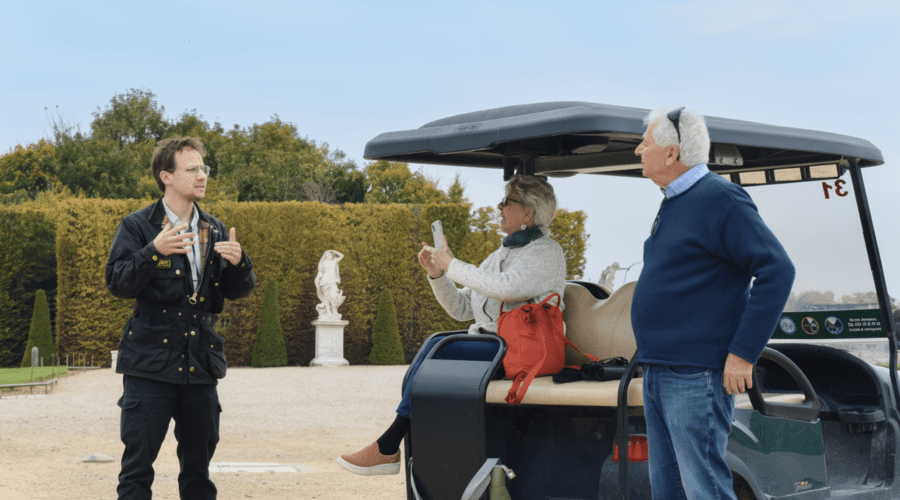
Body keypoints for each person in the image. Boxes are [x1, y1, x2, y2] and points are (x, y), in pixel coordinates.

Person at [337, 174, 567, 475]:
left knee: (441, 349)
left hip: (523, 352)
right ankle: (409, 453)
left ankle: (390, 445)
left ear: (527, 212)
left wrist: (453, 264)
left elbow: (505, 288)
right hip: (498, 347)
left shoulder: (545, 253)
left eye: (506, 202)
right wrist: (438, 275)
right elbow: (461, 308)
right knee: (437, 342)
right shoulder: (503, 253)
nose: (498, 207)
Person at [631, 107, 795, 499]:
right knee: (666, 489)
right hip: (659, 371)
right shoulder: (674, 200)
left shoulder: (721, 198)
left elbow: (777, 270)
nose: (639, 150)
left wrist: (743, 352)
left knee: (704, 489)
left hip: (695, 376)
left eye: (646, 143)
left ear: (671, 154)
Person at [105, 137, 256, 500]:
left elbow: (239, 290)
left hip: (200, 363)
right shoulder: (138, 225)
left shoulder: (215, 227)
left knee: (199, 473)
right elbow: (117, 282)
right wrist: (151, 252)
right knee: (137, 470)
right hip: (149, 363)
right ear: (166, 176)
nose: (202, 175)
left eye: (203, 168)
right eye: (192, 169)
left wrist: (240, 263)